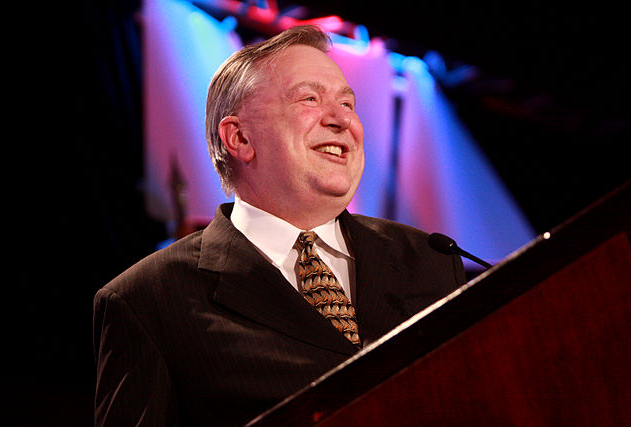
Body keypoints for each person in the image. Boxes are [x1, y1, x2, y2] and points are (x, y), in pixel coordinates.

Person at [93, 25, 465, 426]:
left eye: (347, 103)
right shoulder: (148, 300)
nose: (343, 119)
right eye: (310, 99)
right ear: (239, 137)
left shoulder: (431, 260)